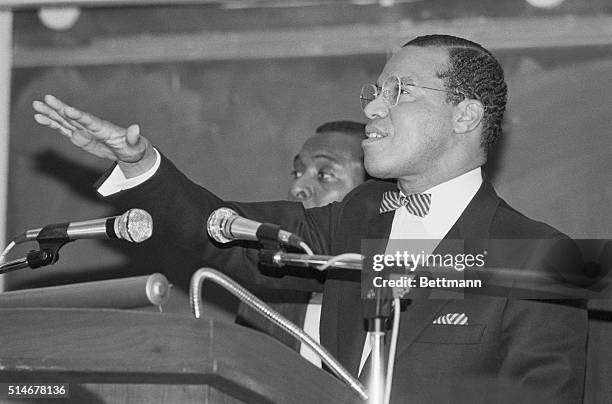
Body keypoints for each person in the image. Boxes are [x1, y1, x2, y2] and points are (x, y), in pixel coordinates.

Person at [32, 34, 587, 403]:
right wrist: (140, 165)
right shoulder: (354, 221)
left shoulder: (538, 258)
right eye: (376, 91)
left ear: (465, 114)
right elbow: (220, 232)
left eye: (400, 91)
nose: (373, 107)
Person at [237, 120, 367, 365]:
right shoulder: (269, 290)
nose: (297, 187)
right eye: (297, 172)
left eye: (325, 175)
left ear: (370, 194)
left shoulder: (396, 280)